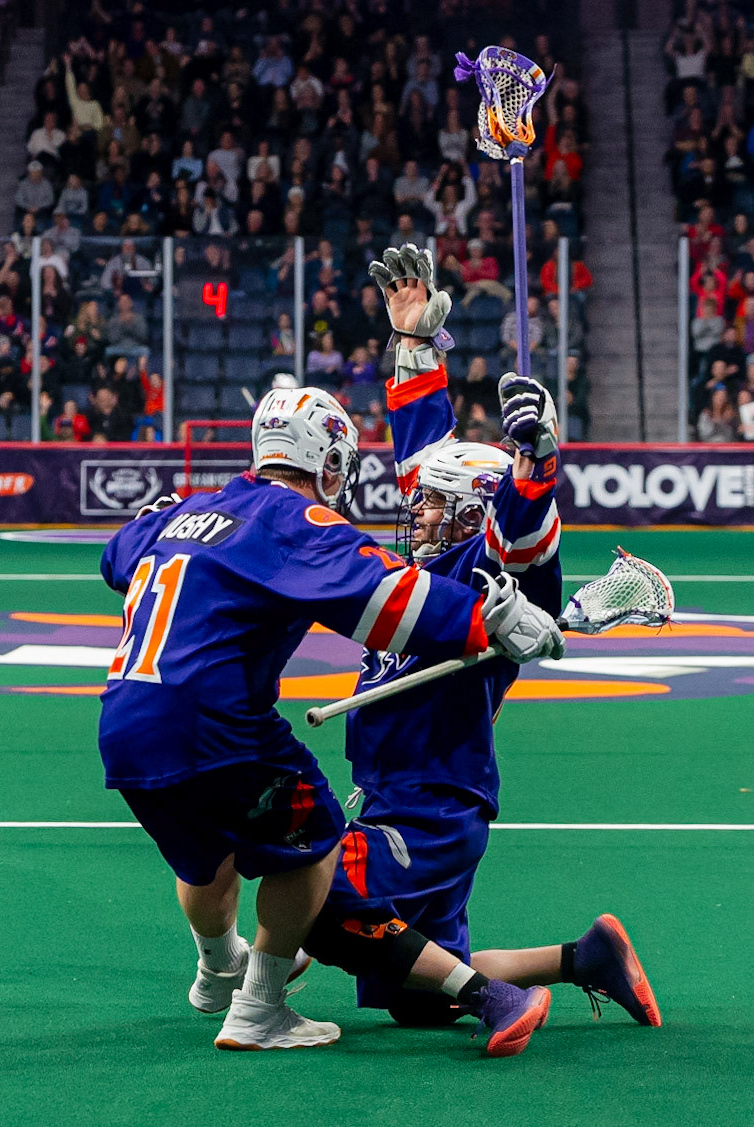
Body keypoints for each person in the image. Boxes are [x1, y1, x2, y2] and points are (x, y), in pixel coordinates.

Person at [97, 384, 566, 1052]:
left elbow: (116, 555)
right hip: (217, 721)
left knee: (215, 862)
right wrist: (480, 617)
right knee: (314, 838)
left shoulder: (190, 507)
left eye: (434, 500)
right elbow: (379, 591)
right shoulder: (294, 520)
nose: (417, 508)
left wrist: (421, 357)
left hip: (124, 722)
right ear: (324, 460)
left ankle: (219, 963)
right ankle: (259, 1008)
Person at [302, 243, 661, 1036]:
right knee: (415, 992)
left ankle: (246, 995)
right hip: (411, 798)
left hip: (427, 809)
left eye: (432, 504)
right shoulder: (434, 554)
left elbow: (523, 536)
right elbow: (426, 448)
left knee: (306, 886)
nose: (413, 508)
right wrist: (415, 345)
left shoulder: (486, 572)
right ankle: (584, 956)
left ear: (470, 515)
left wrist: (535, 460)